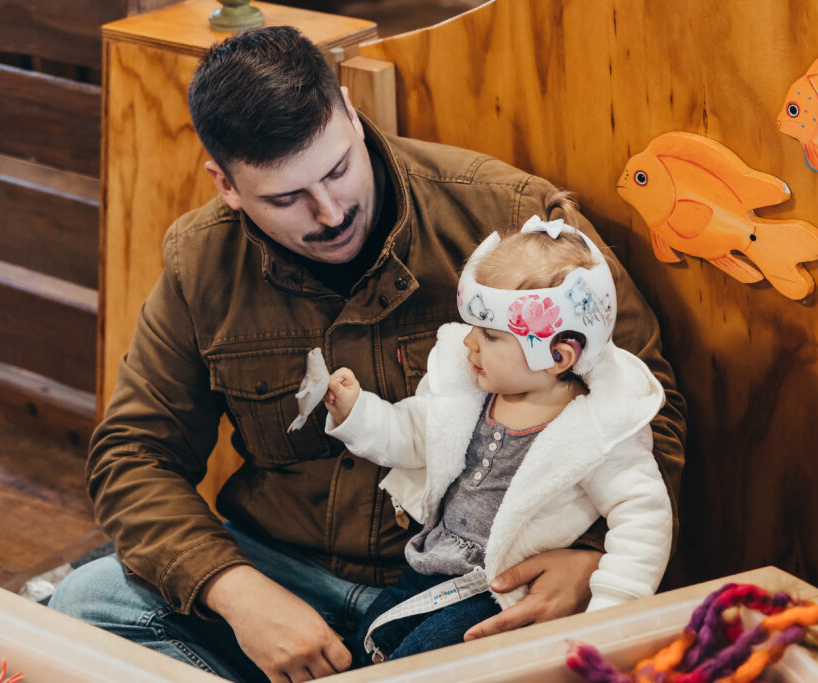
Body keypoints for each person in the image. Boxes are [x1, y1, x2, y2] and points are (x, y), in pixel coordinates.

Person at [49, 25, 686, 683]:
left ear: (351, 115)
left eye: (337, 169)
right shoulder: (199, 259)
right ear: (226, 185)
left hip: (471, 580)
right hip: (285, 571)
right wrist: (237, 592)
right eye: (287, 197)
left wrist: (590, 558)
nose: (329, 212)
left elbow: (646, 407)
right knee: (83, 604)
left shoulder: (510, 216)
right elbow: (133, 454)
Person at [322, 215, 672, 664]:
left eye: (488, 335)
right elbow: (412, 434)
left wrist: (608, 613)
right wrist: (356, 413)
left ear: (557, 355)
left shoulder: (598, 429)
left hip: (497, 592)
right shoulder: (471, 391)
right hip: (427, 566)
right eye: (471, 327)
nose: (468, 344)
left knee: (419, 664)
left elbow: (643, 517)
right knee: (364, 647)